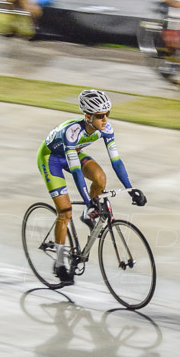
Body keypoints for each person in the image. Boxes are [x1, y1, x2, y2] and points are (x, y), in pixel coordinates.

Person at [37, 89, 146, 283]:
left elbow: (116, 162)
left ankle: (88, 215)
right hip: (51, 158)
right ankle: (60, 262)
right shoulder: (72, 133)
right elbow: (77, 171)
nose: (105, 119)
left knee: (100, 178)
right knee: (65, 211)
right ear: (87, 116)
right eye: (100, 116)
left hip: (73, 153)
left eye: (107, 114)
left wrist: (131, 190)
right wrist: (88, 201)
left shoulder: (106, 129)